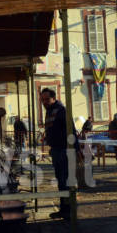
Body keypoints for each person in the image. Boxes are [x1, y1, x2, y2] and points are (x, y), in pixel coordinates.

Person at [40, 88, 78, 219]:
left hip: (64, 150)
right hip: (56, 150)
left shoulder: (61, 110)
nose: (44, 102)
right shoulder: (50, 111)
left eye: (47, 99)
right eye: (42, 100)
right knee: (61, 182)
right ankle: (64, 209)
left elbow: (71, 130)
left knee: (65, 181)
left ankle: (69, 211)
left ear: (53, 98)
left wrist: (74, 150)